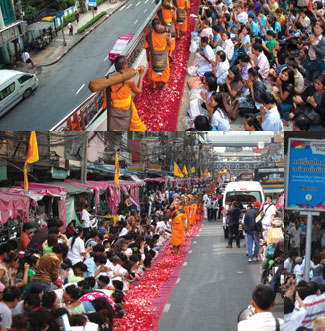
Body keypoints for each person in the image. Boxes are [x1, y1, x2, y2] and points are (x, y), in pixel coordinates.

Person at [103, 55, 146, 131]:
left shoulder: (110, 80)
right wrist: (141, 74)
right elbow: (138, 92)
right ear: (126, 67)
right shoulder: (129, 81)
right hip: (127, 109)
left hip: (115, 111)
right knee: (138, 128)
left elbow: (106, 102)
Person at [145, 19, 172, 90]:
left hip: (153, 55)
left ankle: (153, 84)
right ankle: (164, 84)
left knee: (153, 68)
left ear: (153, 27)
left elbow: (147, 48)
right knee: (165, 69)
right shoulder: (166, 34)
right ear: (160, 24)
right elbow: (169, 44)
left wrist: (147, 55)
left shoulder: (149, 35)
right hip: (163, 54)